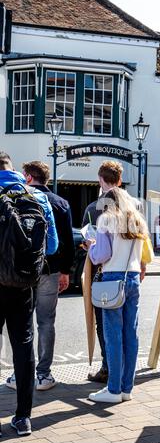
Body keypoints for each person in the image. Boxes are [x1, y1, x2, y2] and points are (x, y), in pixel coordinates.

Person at [0, 152, 58, 436]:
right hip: (24, 284)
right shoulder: (36, 197)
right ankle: (23, 417)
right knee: (24, 345)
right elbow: (52, 246)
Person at [6, 161, 75, 392]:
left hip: (24, 270)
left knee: (24, 326)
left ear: (27, 176)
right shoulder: (61, 203)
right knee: (46, 322)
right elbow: (64, 242)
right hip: (51, 269)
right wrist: (66, 271)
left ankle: (20, 375)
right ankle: (44, 374)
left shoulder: (19, 196)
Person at [86, 186, 150, 403]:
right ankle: (126, 388)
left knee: (112, 335)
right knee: (131, 334)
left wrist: (91, 247)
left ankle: (112, 390)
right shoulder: (138, 220)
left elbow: (102, 254)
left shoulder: (106, 219)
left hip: (113, 278)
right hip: (132, 278)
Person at [82, 161, 124, 384]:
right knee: (126, 326)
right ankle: (124, 372)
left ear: (100, 180)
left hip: (104, 274)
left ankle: (108, 368)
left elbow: (97, 252)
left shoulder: (94, 209)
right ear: (119, 180)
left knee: (106, 326)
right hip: (130, 272)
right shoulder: (134, 206)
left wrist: (90, 246)